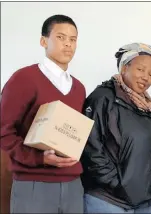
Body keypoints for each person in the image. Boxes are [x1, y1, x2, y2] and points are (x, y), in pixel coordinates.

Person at [80, 43, 151, 213]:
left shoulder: (143, 106)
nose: (146, 78)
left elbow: (143, 152)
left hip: (142, 200)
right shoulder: (102, 98)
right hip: (110, 201)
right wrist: (118, 184)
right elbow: (89, 148)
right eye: (141, 69)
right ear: (124, 67)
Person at [0, 14, 85, 213]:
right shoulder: (24, 79)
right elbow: (4, 132)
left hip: (73, 183)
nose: (68, 45)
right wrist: (40, 159)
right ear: (43, 41)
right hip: (34, 183)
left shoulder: (79, 87)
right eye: (61, 37)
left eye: (73, 40)